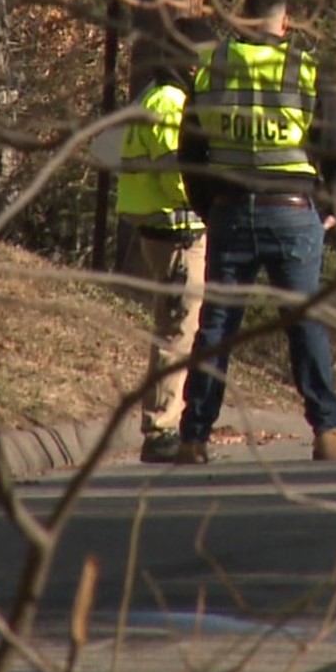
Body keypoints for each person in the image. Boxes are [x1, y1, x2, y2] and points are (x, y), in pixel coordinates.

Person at [174, 0, 336, 465]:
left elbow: (190, 151)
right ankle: (328, 430)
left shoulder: (212, 67)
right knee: (303, 322)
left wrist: (208, 206)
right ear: (285, 22)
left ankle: (193, 437)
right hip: (292, 211)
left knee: (217, 327)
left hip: (231, 209)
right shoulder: (305, 69)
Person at [114, 53, 206, 464]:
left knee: (178, 326)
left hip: (159, 226)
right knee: (177, 329)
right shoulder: (171, 102)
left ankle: (171, 419)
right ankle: (162, 426)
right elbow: (176, 175)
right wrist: (210, 201)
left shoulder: (152, 96)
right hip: (178, 230)